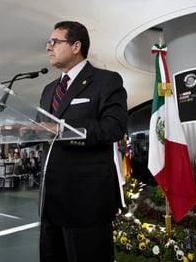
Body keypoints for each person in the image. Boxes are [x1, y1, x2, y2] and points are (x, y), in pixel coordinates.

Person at [38, 21, 128, 262]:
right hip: (49, 201)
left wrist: (62, 128)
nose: (49, 47)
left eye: (55, 41)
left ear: (76, 46)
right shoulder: (48, 90)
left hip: (86, 202)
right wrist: (27, 131)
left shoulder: (106, 81)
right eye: (49, 42)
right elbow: (43, 131)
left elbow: (114, 128)